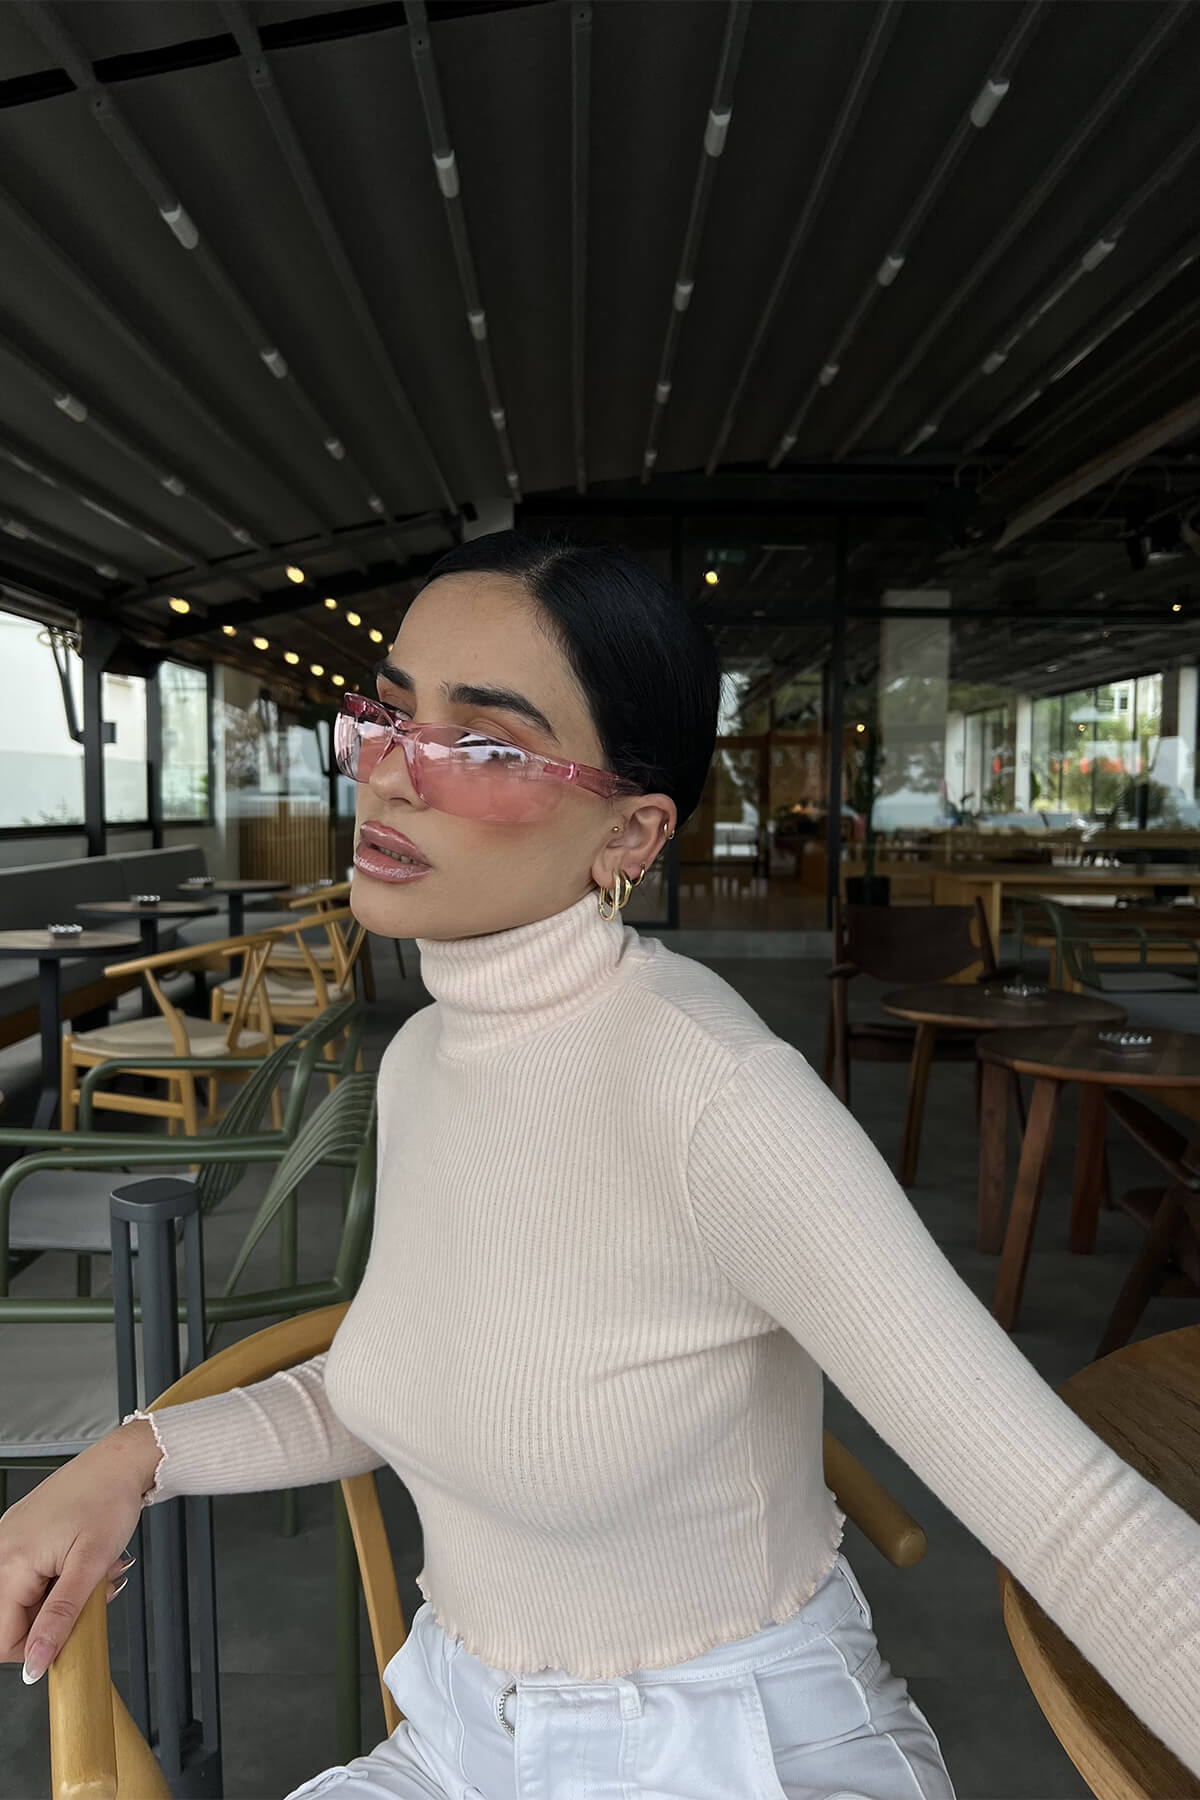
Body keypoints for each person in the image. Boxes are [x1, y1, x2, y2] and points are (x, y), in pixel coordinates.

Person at [2, 532, 1199, 1800]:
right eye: (390, 715)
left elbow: (1075, 1521)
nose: (394, 775)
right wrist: (137, 1455)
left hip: (727, 1752)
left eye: (485, 746)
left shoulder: (718, 1101)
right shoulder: (422, 1060)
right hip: (458, 1732)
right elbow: (401, 1383)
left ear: (631, 833)